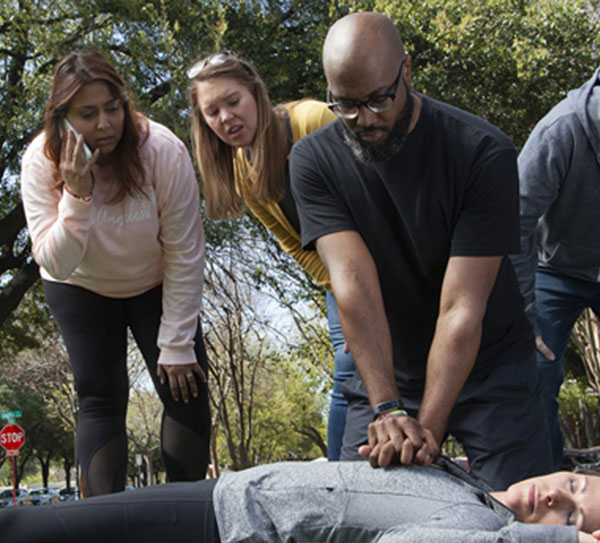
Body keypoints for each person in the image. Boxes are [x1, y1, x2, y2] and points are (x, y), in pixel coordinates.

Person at [289, 11, 553, 490]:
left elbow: (461, 309)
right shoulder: (312, 161)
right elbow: (353, 283)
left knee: (524, 514)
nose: (365, 120)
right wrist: (388, 410)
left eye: (378, 100)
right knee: (356, 511)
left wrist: (424, 434)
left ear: (406, 72)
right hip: (388, 367)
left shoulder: (482, 152)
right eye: (346, 105)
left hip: (489, 363)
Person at [20, 50, 211, 496]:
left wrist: (177, 343)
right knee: (100, 398)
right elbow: (55, 261)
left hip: (155, 281)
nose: (105, 124)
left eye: (113, 108)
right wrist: (76, 196)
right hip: (80, 285)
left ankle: (183, 518)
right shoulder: (39, 162)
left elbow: (185, 250)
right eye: (87, 114)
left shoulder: (161, 150)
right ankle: (104, 525)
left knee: (187, 389)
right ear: (62, 118)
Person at [187, 51, 355, 460]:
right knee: (349, 374)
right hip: (343, 284)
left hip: (393, 259)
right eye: (212, 111)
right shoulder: (243, 172)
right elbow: (294, 243)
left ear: (255, 93)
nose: (225, 117)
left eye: (233, 101)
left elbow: (380, 191)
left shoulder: (313, 120)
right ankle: (339, 482)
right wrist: (346, 293)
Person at [1, 453, 599, 542]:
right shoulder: (468, 476)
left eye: (570, 517)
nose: (554, 500)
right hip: (231, 491)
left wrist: (551, 542)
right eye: (573, 487)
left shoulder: (478, 527)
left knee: (32, 529)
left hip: (230, 524)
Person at [510, 68, 600, 472]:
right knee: (536, 368)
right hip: (554, 268)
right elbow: (515, 223)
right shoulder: (561, 130)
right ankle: (548, 479)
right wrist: (523, 313)